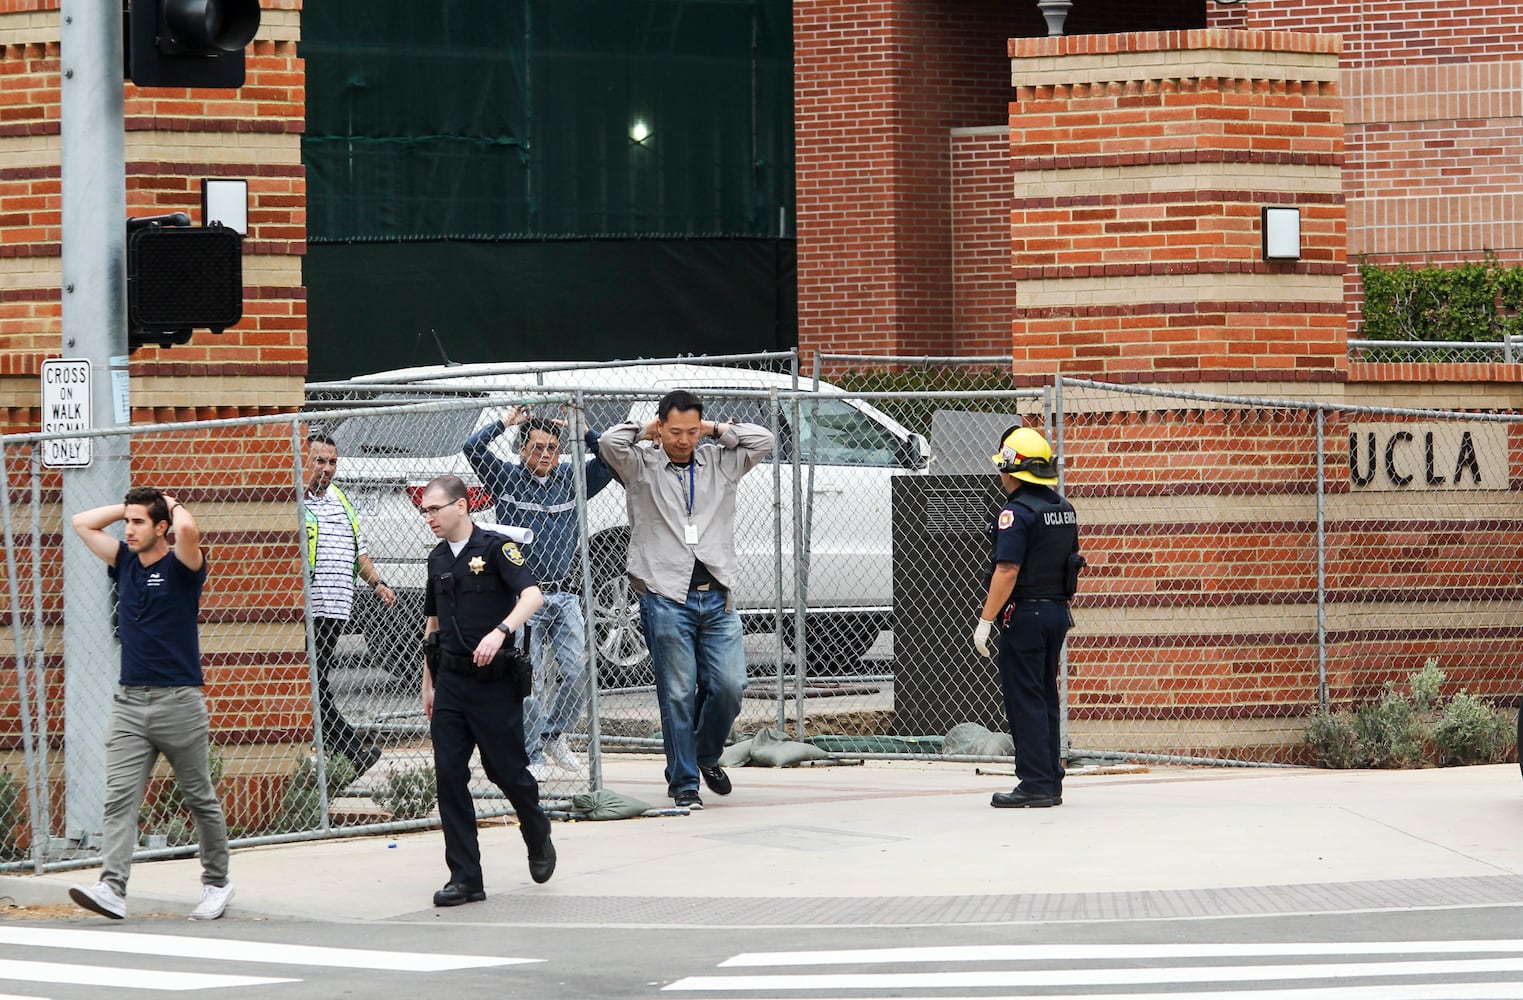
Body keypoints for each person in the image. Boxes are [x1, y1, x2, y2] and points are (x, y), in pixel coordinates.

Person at [599, 390, 774, 809]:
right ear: (661, 427)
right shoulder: (640, 466)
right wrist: (646, 431)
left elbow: (763, 440)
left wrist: (716, 430)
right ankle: (684, 783)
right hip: (665, 595)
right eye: (674, 431)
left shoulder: (720, 462)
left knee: (730, 685)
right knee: (677, 692)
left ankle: (704, 754)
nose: (683, 439)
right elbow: (609, 442)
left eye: (692, 431)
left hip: (716, 594)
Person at [68, 488, 236, 920]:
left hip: (179, 701)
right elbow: (81, 522)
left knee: (199, 796)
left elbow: (188, 529)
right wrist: (128, 507)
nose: (128, 529)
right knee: (119, 798)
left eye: (139, 522)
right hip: (129, 702)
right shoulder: (123, 561)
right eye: (127, 522)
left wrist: (169, 500)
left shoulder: (183, 566)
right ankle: (112, 888)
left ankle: (217, 884)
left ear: (160, 528)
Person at [419, 474, 555, 905]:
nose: (429, 517)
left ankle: (537, 830)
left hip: (494, 683)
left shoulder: (496, 548)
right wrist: (428, 683)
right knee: (449, 776)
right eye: (424, 510)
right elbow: (433, 624)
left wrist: (501, 631)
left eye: (435, 508)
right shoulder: (437, 559)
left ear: (461, 506)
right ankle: (466, 878)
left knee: (506, 772)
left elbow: (533, 596)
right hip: (452, 683)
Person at [462, 406, 614, 780]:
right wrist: (504, 423)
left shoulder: (571, 478)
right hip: (523, 599)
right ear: (523, 450)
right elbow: (472, 448)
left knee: (578, 671)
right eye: (537, 447)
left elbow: (610, 462)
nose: (545, 454)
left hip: (565, 597)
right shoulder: (507, 478)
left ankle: (553, 735)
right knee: (529, 681)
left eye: (552, 448)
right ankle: (532, 755)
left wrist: (586, 430)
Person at [972, 426, 1081, 809]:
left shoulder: (1015, 513)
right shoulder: (1063, 509)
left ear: (1014, 471)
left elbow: (1007, 571)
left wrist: (986, 620)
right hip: (1055, 613)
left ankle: (1034, 783)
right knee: (1046, 697)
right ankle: (1050, 781)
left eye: (1003, 468)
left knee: (1025, 700)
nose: (1000, 474)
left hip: (1026, 616)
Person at [302, 432, 394, 779]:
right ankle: (351, 752)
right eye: (319, 461)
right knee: (313, 684)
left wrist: (379, 583)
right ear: (303, 460)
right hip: (308, 608)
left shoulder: (340, 499)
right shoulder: (294, 499)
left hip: (336, 607)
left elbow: (360, 553)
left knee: (315, 683)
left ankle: (344, 756)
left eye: (332, 462)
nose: (326, 468)